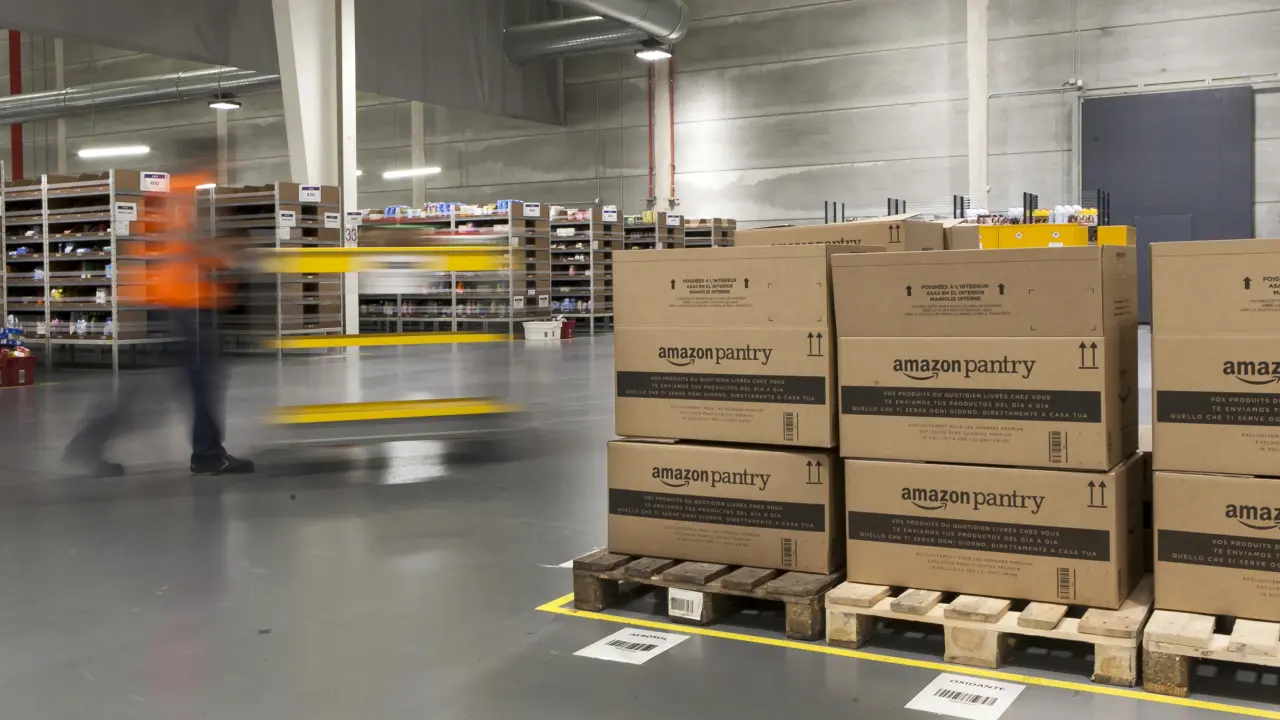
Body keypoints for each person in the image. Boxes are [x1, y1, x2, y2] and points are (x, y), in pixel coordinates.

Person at [65, 174, 254, 477]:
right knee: (191, 385)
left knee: (170, 387)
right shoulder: (183, 192)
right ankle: (206, 455)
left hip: (178, 304)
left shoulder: (179, 194)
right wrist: (223, 256)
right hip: (182, 305)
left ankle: (91, 442)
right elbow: (188, 242)